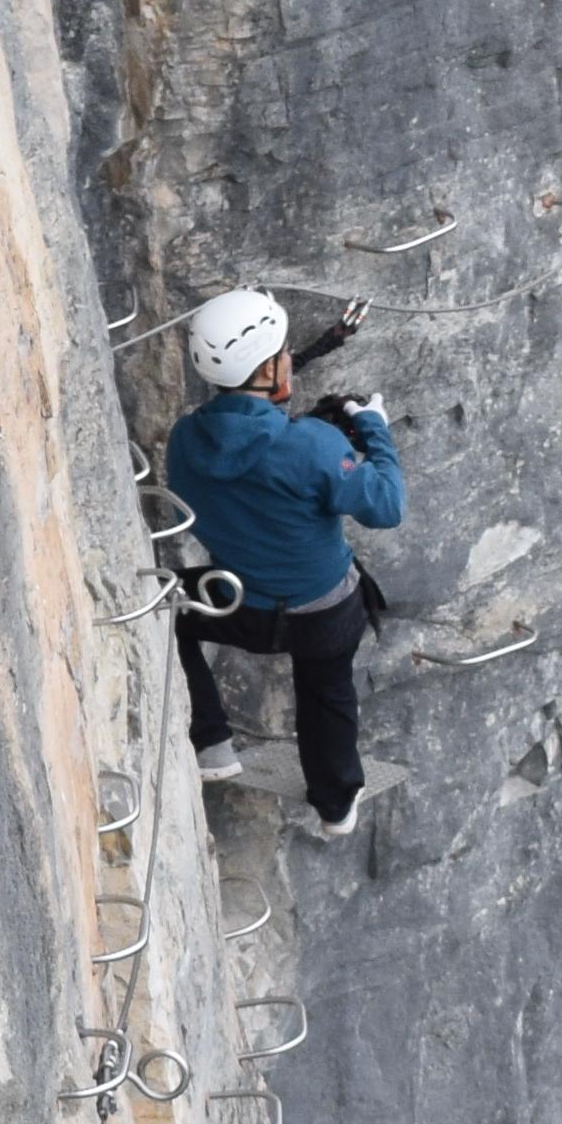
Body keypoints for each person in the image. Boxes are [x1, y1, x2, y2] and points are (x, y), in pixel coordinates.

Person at [159, 287, 404, 839]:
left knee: (163, 606)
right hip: (325, 615)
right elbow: (387, 506)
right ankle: (336, 805)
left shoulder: (185, 441)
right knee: (327, 693)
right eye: (286, 351)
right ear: (269, 368)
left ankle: (211, 739)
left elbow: (240, 459)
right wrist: (374, 429)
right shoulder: (312, 446)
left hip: (236, 605)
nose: (292, 356)